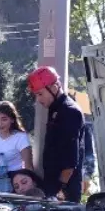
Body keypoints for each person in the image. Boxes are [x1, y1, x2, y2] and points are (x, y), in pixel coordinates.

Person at [28, 66, 85, 202]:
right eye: (36, 95)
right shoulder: (56, 108)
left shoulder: (69, 111)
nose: (38, 99)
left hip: (64, 190)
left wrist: (59, 190)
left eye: (40, 94)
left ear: (54, 87)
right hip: (54, 185)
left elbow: (70, 162)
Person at [0, 101, 32, 193]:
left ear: (12, 119)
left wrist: (23, 185)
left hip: (15, 179)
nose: (0, 123)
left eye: (4, 119)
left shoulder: (21, 137)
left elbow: (28, 166)